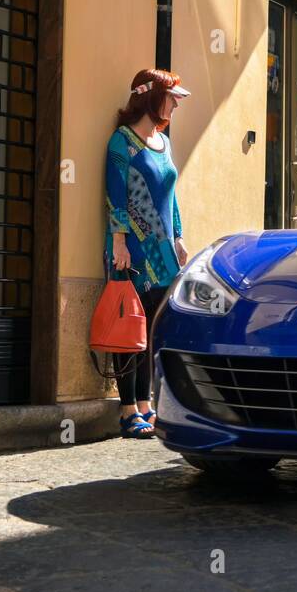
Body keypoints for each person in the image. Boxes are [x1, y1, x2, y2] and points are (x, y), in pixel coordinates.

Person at [105, 69, 190, 439]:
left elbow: (172, 197)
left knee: (151, 332)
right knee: (129, 329)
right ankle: (127, 411)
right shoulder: (121, 143)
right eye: (172, 97)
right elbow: (114, 193)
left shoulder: (164, 143)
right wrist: (119, 241)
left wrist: (180, 236)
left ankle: (146, 405)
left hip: (164, 253)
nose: (175, 103)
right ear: (152, 96)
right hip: (134, 250)